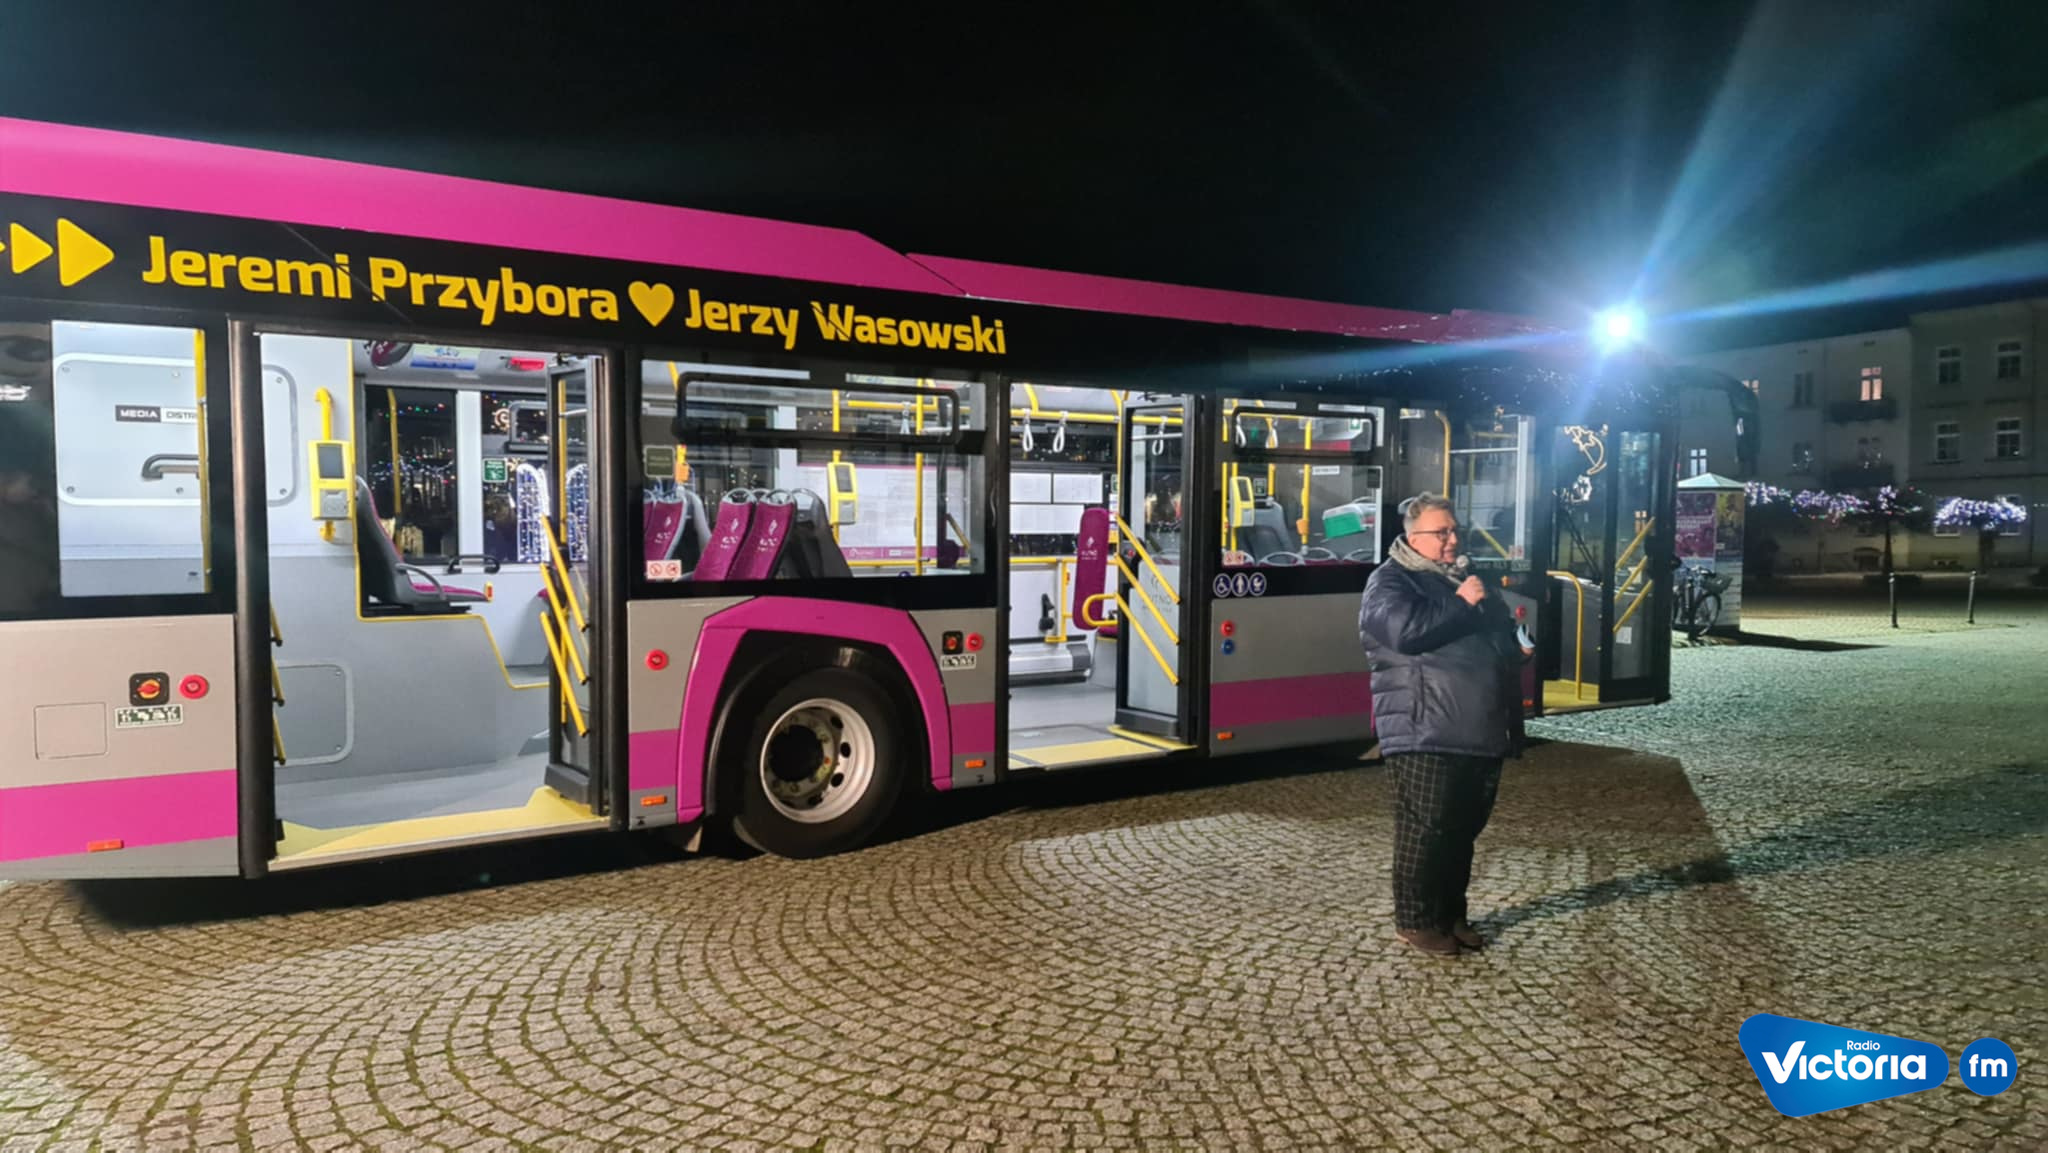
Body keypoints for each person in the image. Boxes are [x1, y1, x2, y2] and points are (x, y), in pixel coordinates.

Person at [1357, 493, 1531, 956]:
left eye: (1455, 531)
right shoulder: (1390, 581)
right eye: (1442, 532)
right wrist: (1460, 602)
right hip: (1424, 726)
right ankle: (1416, 921)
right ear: (1414, 538)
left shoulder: (1468, 579)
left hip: (1479, 726)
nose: (1453, 540)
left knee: (1461, 830)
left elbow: (1497, 635)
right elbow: (1406, 633)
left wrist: (1517, 649)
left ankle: (1452, 915)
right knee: (1425, 829)